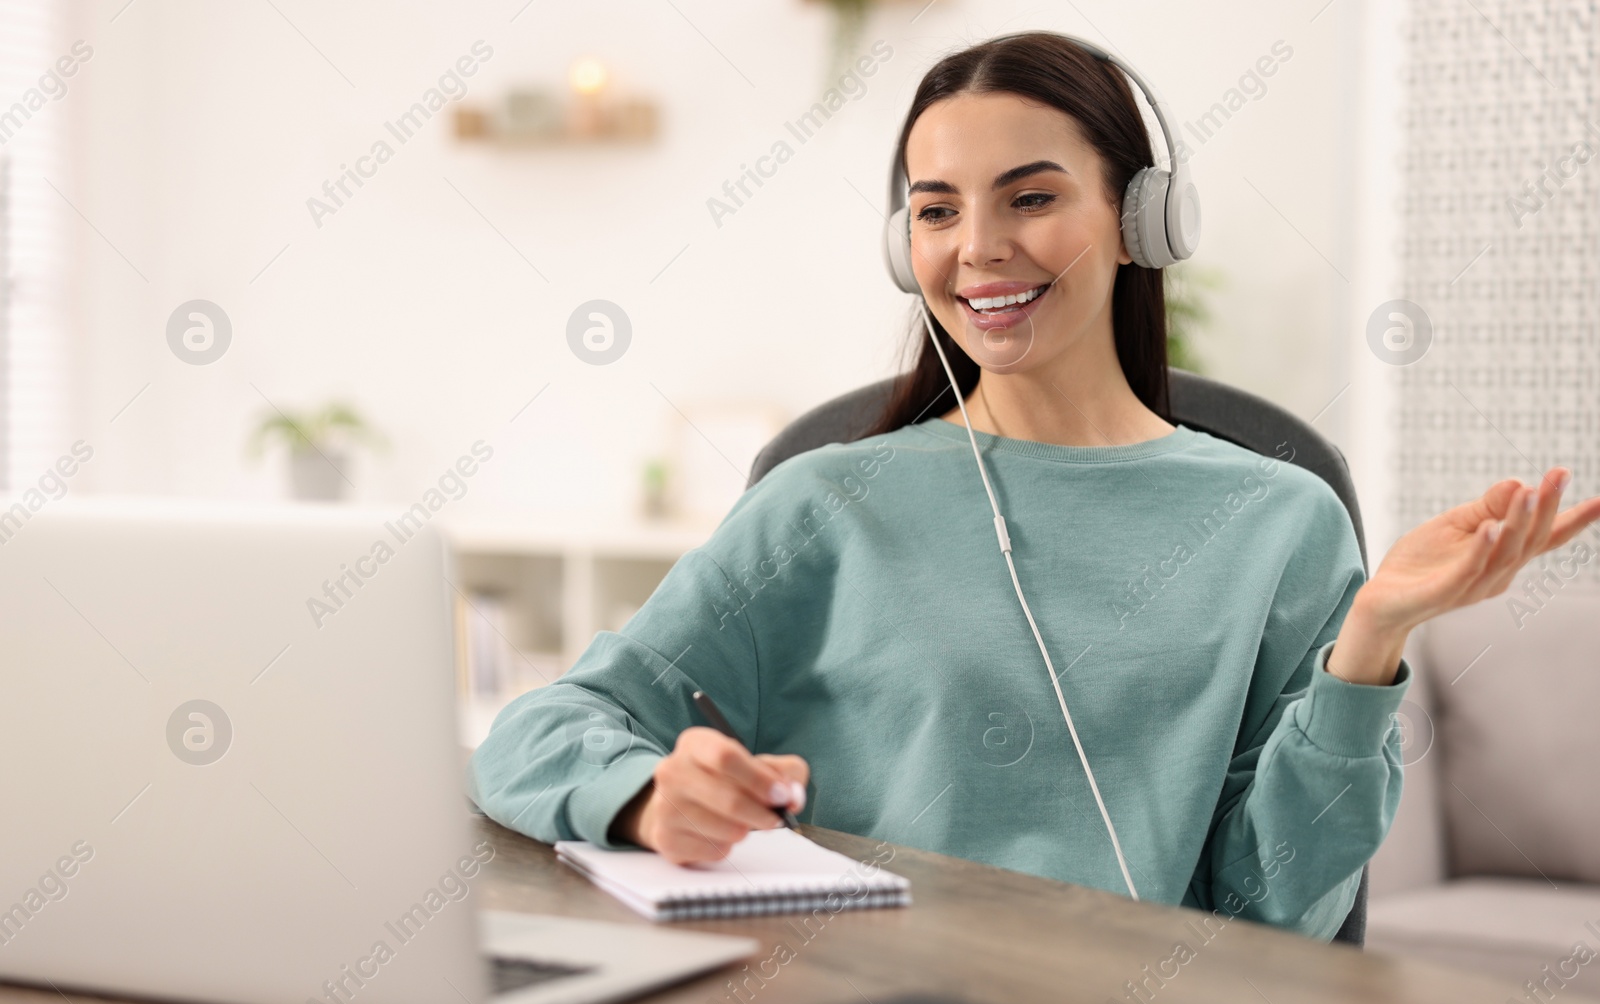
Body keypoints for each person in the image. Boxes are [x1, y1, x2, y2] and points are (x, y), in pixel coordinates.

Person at [467, 32, 1600, 940]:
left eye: (1031, 197)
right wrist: (643, 793)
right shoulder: (822, 506)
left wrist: (1371, 640)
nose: (977, 249)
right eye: (937, 208)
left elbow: (1276, 908)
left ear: (1141, 217)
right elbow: (536, 731)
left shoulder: (1281, 520)